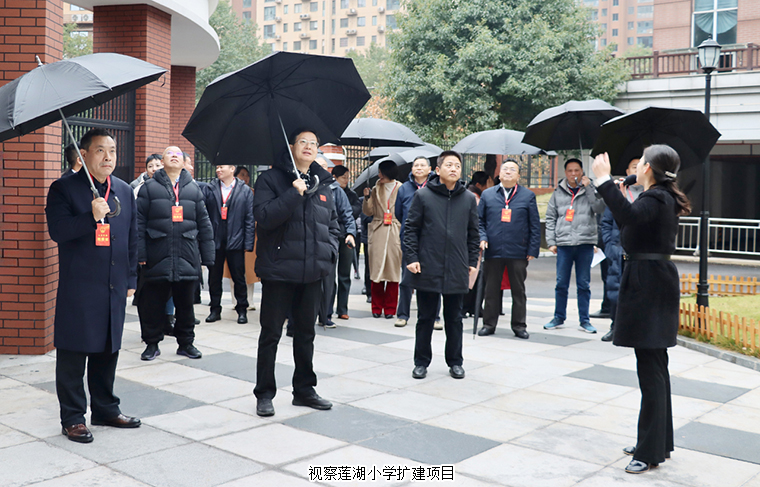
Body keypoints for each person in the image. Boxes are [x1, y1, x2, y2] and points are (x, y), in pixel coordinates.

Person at [592, 145, 689, 474]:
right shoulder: (658, 196)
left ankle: (649, 451)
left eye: (641, 161)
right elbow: (632, 222)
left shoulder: (657, 197)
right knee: (654, 367)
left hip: (649, 283)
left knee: (651, 370)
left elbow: (631, 217)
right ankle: (658, 441)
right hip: (651, 280)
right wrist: (621, 192)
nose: (637, 165)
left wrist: (604, 181)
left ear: (648, 167)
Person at [46, 128, 141, 443]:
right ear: (83, 154)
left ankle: (105, 409)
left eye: (112, 150)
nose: (108, 157)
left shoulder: (123, 190)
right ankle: (73, 418)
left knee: (108, 349)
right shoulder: (63, 189)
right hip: (80, 286)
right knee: (74, 353)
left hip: (114, 285)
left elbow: (132, 239)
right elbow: (59, 231)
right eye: (100, 150)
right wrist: (91, 216)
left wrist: (131, 279)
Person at [253, 129, 340, 417]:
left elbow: (332, 224)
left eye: (314, 143)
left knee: (305, 334)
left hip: (312, 271)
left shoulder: (322, 182)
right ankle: (264, 393)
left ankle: (304, 390)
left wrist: (329, 252)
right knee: (271, 334)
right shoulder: (270, 179)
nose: (309, 147)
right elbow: (264, 218)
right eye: (303, 142)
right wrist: (293, 193)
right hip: (279, 270)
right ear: (291, 147)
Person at [404, 150, 479, 380]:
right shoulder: (423, 196)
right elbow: (410, 229)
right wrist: (412, 258)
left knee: (454, 319)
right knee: (425, 317)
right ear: (437, 170)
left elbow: (473, 233)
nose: (454, 169)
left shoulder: (468, 198)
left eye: (457, 165)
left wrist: (472, 261)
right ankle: (421, 362)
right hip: (428, 265)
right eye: (449, 165)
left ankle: (455, 362)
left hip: (457, 266)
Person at [136, 146, 215, 361]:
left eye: (178, 154)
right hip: (157, 255)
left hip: (186, 255)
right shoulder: (149, 188)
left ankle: (186, 343)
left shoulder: (193, 189)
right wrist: (140, 254)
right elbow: (138, 223)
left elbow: (204, 223)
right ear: (162, 161)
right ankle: (152, 343)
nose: (173, 156)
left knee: (186, 305)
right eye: (169, 153)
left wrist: (208, 257)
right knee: (152, 304)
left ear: (183, 162)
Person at [476, 159, 541, 338]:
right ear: (499, 174)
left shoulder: (527, 196)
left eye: (513, 169)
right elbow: (479, 221)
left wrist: (532, 249)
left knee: (518, 290)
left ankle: (519, 326)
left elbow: (534, 225)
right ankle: (489, 324)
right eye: (505, 169)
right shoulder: (488, 195)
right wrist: (482, 238)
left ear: (518, 176)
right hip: (493, 250)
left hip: (518, 250)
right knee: (491, 290)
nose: (508, 172)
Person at [544, 158, 605, 334]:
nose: (573, 174)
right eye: (570, 171)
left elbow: (599, 208)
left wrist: (589, 188)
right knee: (561, 283)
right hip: (564, 243)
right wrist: (551, 242)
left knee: (583, 284)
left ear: (582, 172)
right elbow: (550, 217)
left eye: (577, 170)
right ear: (565, 173)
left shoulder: (590, 189)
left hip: (585, 242)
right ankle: (558, 317)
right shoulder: (558, 192)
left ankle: (584, 320)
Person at [203, 164, 255, 324]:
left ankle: (242, 309)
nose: (218, 170)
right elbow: (203, 215)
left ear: (232, 169)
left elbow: (249, 218)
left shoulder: (244, 190)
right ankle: (215, 309)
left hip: (236, 240)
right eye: (217, 167)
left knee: (239, 277)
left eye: (222, 167)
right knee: (214, 277)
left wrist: (248, 243)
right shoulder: (210, 188)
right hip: (215, 240)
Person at [600, 157, 643, 342]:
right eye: (633, 167)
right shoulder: (619, 194)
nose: (636, 171)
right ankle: (615, 326)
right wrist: (610, 247)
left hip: (639, 253)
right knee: (615, 291)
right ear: (627, 172)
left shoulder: (648, 194)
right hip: (618, 251)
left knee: (638, 292)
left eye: (639, 167)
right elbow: (605, 223)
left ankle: (635, 328)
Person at [395, 156, 440, 329]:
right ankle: (402, 315)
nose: (419, 168)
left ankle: (435, 317)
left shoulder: (436, 187)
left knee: (433, 279)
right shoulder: (404, 188)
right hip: (410, 239)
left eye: (422, 165)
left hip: (432, 240)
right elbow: (399, 213)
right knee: (407, 279)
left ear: (430, 169)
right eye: (416, 165)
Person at [314, 156, 356, 328]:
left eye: (324, 166)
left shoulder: (335, 189)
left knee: (328, 279)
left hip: (330, 239)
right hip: (309, 238)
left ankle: (326, 315)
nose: (321, 169)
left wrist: (351, 233)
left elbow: (347, 213)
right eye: (318, 165)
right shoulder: (303, 186)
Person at [362, 159, 403, 319]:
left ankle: (391, 309)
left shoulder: (401, 188)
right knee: (376, 270)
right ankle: (376, 307)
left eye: (381, 172)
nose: (379, 175)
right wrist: (367, 198)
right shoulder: (375, 188)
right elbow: (368, 212)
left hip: (395, 230)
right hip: (378, 229)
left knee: (393, 271)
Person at [331, 165, 362, 319]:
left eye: (348, 177)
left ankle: (342, 309)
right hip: (332, 235)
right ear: (335, 177)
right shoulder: (329, 191)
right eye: (343, 177)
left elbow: (355, 210)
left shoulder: (351, 194)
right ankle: (327, 310)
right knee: (329, 276)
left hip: (347, 236)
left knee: (344, 274)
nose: (346, 180)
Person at [233, 165, 259, 311]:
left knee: (249, 270)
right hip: (234, 234)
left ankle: (250, 299)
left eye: (247, 175)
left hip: (250, 234)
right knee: (235, 270)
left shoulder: (253, 193)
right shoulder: (231, 192)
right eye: (242, 174)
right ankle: (235, 299)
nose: (245, 178)